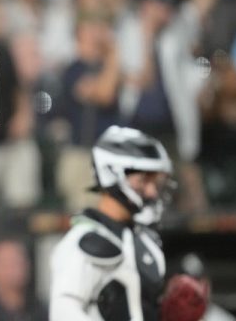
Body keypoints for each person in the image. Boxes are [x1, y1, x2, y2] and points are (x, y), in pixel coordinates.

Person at [49, 125, 177, 320]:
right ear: (113, 172)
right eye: (144, 180)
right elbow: (62, 313)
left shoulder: (143, 240)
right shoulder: (84, 241)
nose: (152, 191)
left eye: (155, 182)